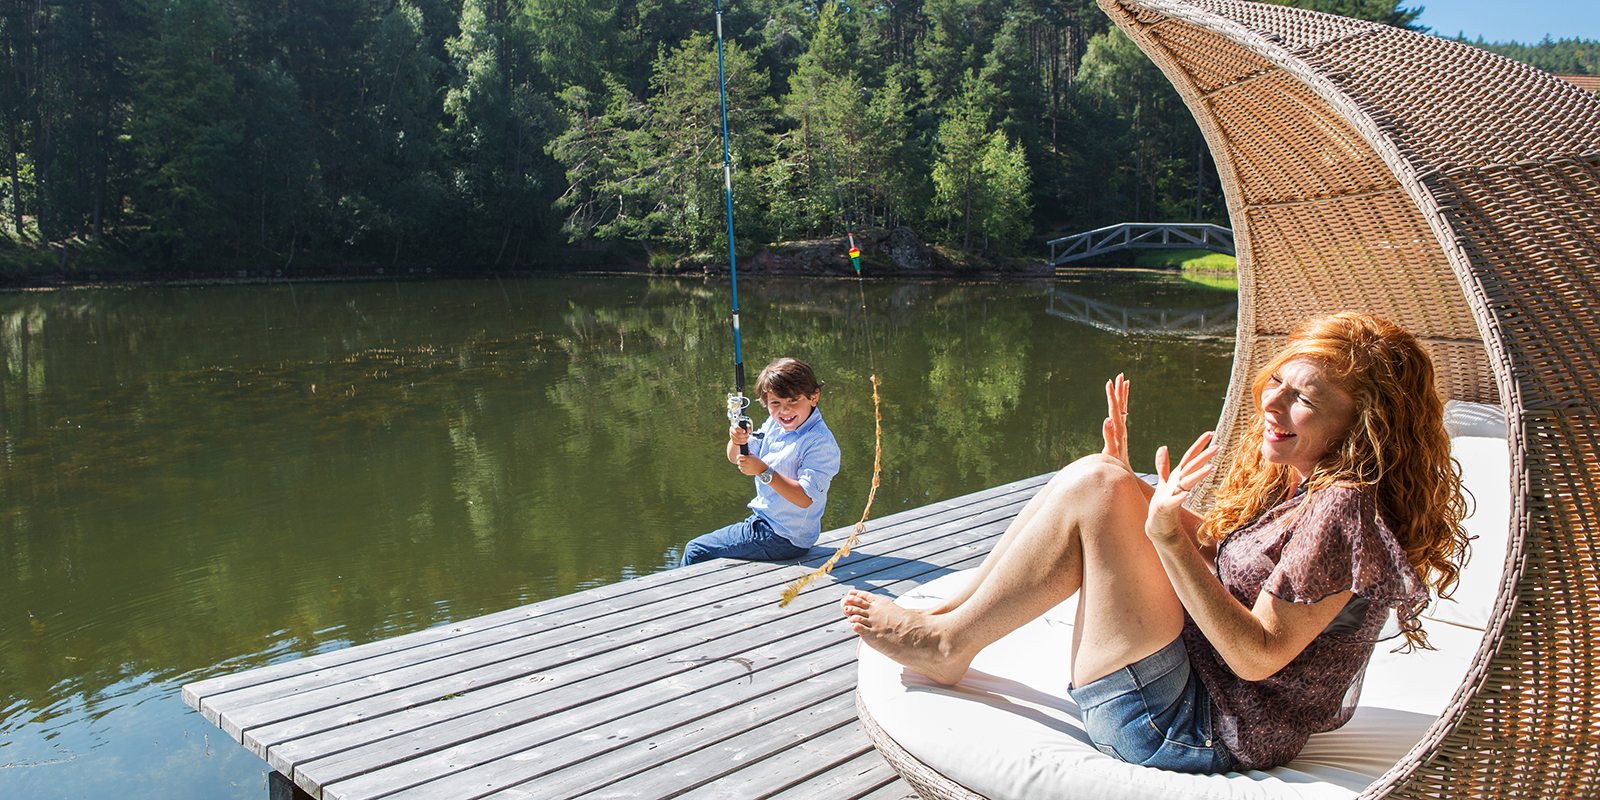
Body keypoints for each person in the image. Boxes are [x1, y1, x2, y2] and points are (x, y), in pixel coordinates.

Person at [841, 312, 1470, 774]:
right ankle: (947, 621)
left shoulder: (1344, 507)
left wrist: (1158, 531)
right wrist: (1134, 496)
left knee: (1100, 486)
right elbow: (1234, 563)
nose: (1271, 401)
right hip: (1195, 686)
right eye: (1278, 380)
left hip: (1188, 728)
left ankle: (948, 640)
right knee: (1104, 477)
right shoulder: (1312, 484)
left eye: (1303, 398)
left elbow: (1258, 656)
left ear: (1362, 424)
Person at [681, 357, 842, 566]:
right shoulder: (776, 425)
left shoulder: (820, 443)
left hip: (783, 537)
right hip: (767, 524)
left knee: (695, 550)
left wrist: (763, 471)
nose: (784, 411)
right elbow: (735, 457)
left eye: (793, 400)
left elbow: (804, 498)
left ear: (813, 396)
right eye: (775, 403)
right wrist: (737, 440)